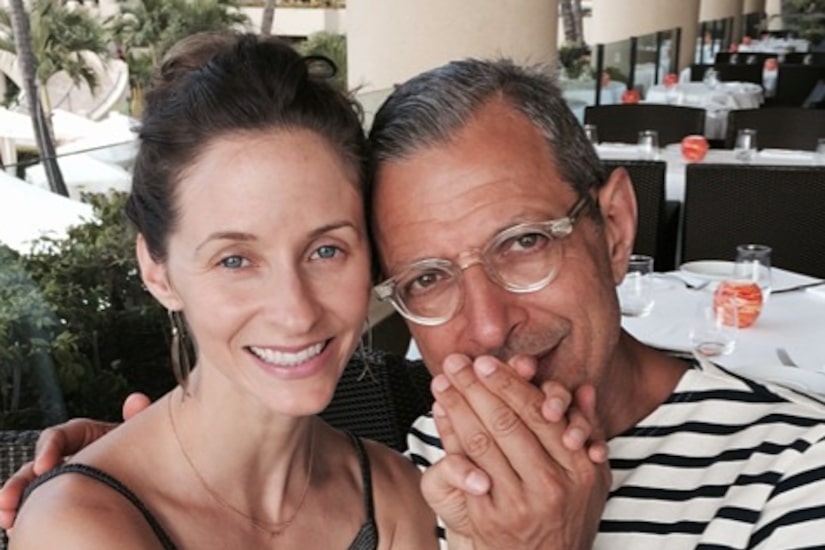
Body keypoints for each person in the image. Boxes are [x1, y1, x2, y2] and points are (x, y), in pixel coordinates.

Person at [15, 55, 825, 549]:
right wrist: (121, 471)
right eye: (428, 277)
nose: (487, 325)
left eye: (523, 242)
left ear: (613, 227)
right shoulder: (426, 453)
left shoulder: (797, 480)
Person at [7, 31, 440, 549]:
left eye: (326, 250)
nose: (296, 312)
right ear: (158, 272)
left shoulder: (395, 495)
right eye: (235, 260)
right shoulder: (80, 528)